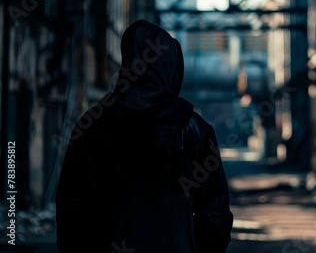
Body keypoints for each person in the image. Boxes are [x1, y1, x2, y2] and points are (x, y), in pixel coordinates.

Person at [55, 19, 233, 253]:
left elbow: (71, 209)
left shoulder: (91, 125)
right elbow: (213, 214)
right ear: (170, 65)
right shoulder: (193, 129)